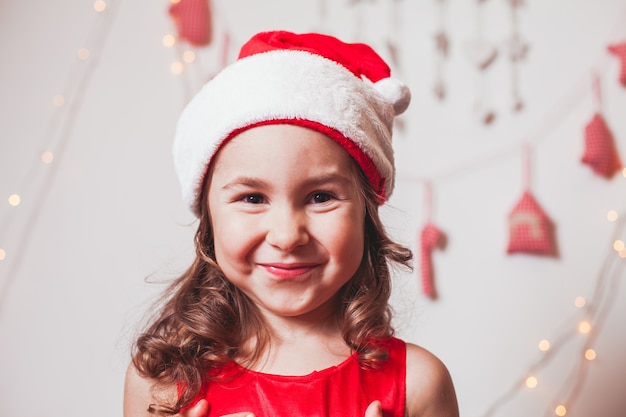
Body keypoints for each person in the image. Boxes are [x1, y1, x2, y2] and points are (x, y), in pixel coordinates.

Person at [123, 30, 459, 417]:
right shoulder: (161, 384)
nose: (287, 236)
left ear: (366, 210)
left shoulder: (417, 384)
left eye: (321, 197)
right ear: (209, 217)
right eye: (252, 198)